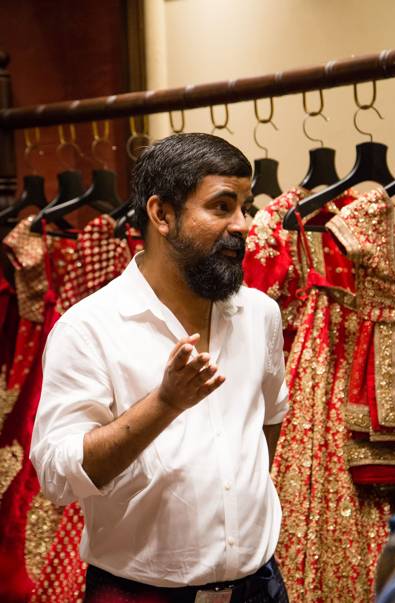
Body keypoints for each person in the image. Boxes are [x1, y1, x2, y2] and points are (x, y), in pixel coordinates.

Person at [30, 133, 290, 603]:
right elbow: (56, 477)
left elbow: (268, 422)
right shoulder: (89, 327)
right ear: (162, 214)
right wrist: (164, 404)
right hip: (139, 594)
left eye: (245, 207)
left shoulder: (260, 313)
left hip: (260, 588)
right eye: (222, 207)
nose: (244, 225)